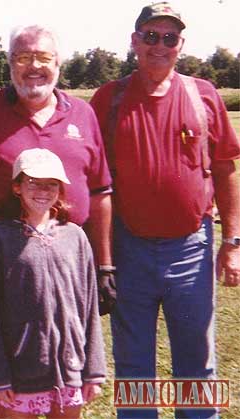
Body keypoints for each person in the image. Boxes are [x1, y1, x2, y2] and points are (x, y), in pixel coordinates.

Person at [0, 24, 113, 418]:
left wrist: (103, 264)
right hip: (1, 260)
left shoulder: (82, 114)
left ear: (59, 64)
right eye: (22, 57)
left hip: (67, 258)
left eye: (43, 57)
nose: (34, 66)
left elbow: (101, 191)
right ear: (9, 64)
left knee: (66, 350)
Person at [90, 2, 240, 418]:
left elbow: (225, 168)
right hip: (128, 249)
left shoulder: (203, 94)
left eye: (169, 37)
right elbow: (87, 172)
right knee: (134, 366)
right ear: (135, 42)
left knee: (198, 364)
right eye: (151, 36)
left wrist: (232, 242)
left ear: (181, 45)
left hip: (191, 249)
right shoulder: (109, 98)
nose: (160, 45)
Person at [0, 148, 106, 419]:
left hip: (69, 371)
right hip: (21, 372)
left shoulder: (75, 237)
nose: (43, 191)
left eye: (52, 185)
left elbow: (89, 307)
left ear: (60, 190)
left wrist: (93, 370)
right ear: (17, 187)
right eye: (34, 183)